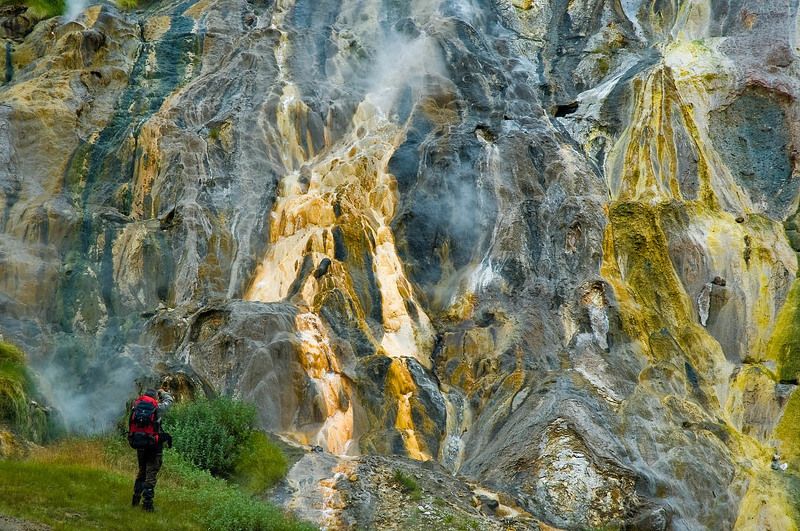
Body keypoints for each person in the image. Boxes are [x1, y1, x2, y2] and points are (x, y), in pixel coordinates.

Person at [129, 387, 174, 512]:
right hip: (153, 445)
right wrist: (163, 393)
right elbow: (170, 401)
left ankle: (135, 499)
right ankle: (147, 504)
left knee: (142, 471)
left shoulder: (135, 406)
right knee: (151, 473)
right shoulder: (157, 408)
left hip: (139, 443)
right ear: (155, 397)